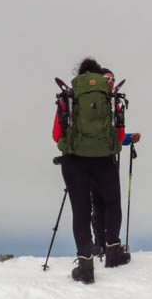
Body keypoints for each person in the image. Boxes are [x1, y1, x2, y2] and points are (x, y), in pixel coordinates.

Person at [52, 58, 129, 284]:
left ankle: (86, 266)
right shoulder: (110, 96)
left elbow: (57, 135)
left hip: (75, 161)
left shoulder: (70, 94)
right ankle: (113, 253)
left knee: (82, 211)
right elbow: (120, 134)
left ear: (80, 73)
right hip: (105, 160)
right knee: (112, 203)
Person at [89, 69, 141, 257]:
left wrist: (127, 139)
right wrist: (125, 138)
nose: (110, 81)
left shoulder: (90, 102)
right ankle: (110, 245)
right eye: (107, 79)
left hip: (88, 160)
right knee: (109, 204)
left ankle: (99, 245)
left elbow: (110, 135)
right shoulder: (109, 103)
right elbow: (113, 135)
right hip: (107, 159)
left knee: (98, 204)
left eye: (112, 79)